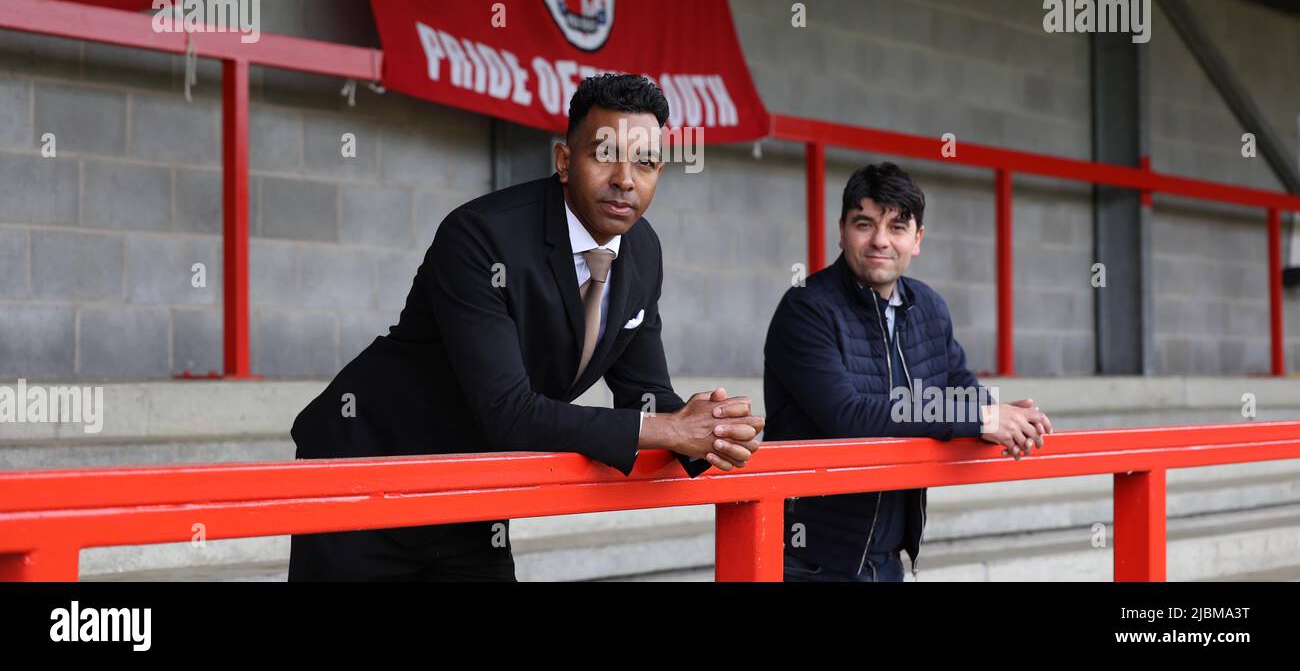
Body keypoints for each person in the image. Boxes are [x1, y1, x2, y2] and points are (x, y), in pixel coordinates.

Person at [289, 73, 764, 580]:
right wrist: (666, 429)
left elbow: (644, 394)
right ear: (564, 161)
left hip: (474, 492)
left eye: (645, 162)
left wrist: (712, 430)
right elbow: (506, 410)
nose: (626, 178)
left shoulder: (643, 251)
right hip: (369, 471)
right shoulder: (480, 236)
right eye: (605, 154)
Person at [763, 162, 1052, 582]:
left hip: (887, 556)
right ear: (841, 230)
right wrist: (983, 417)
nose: (880, 240)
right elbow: (849, 416)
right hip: (811, 559)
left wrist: (1004, 411)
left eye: (897, 227)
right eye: (864, 224)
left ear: (917, 240)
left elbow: (957, 384)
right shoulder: (807, 308)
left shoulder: (929, 306)